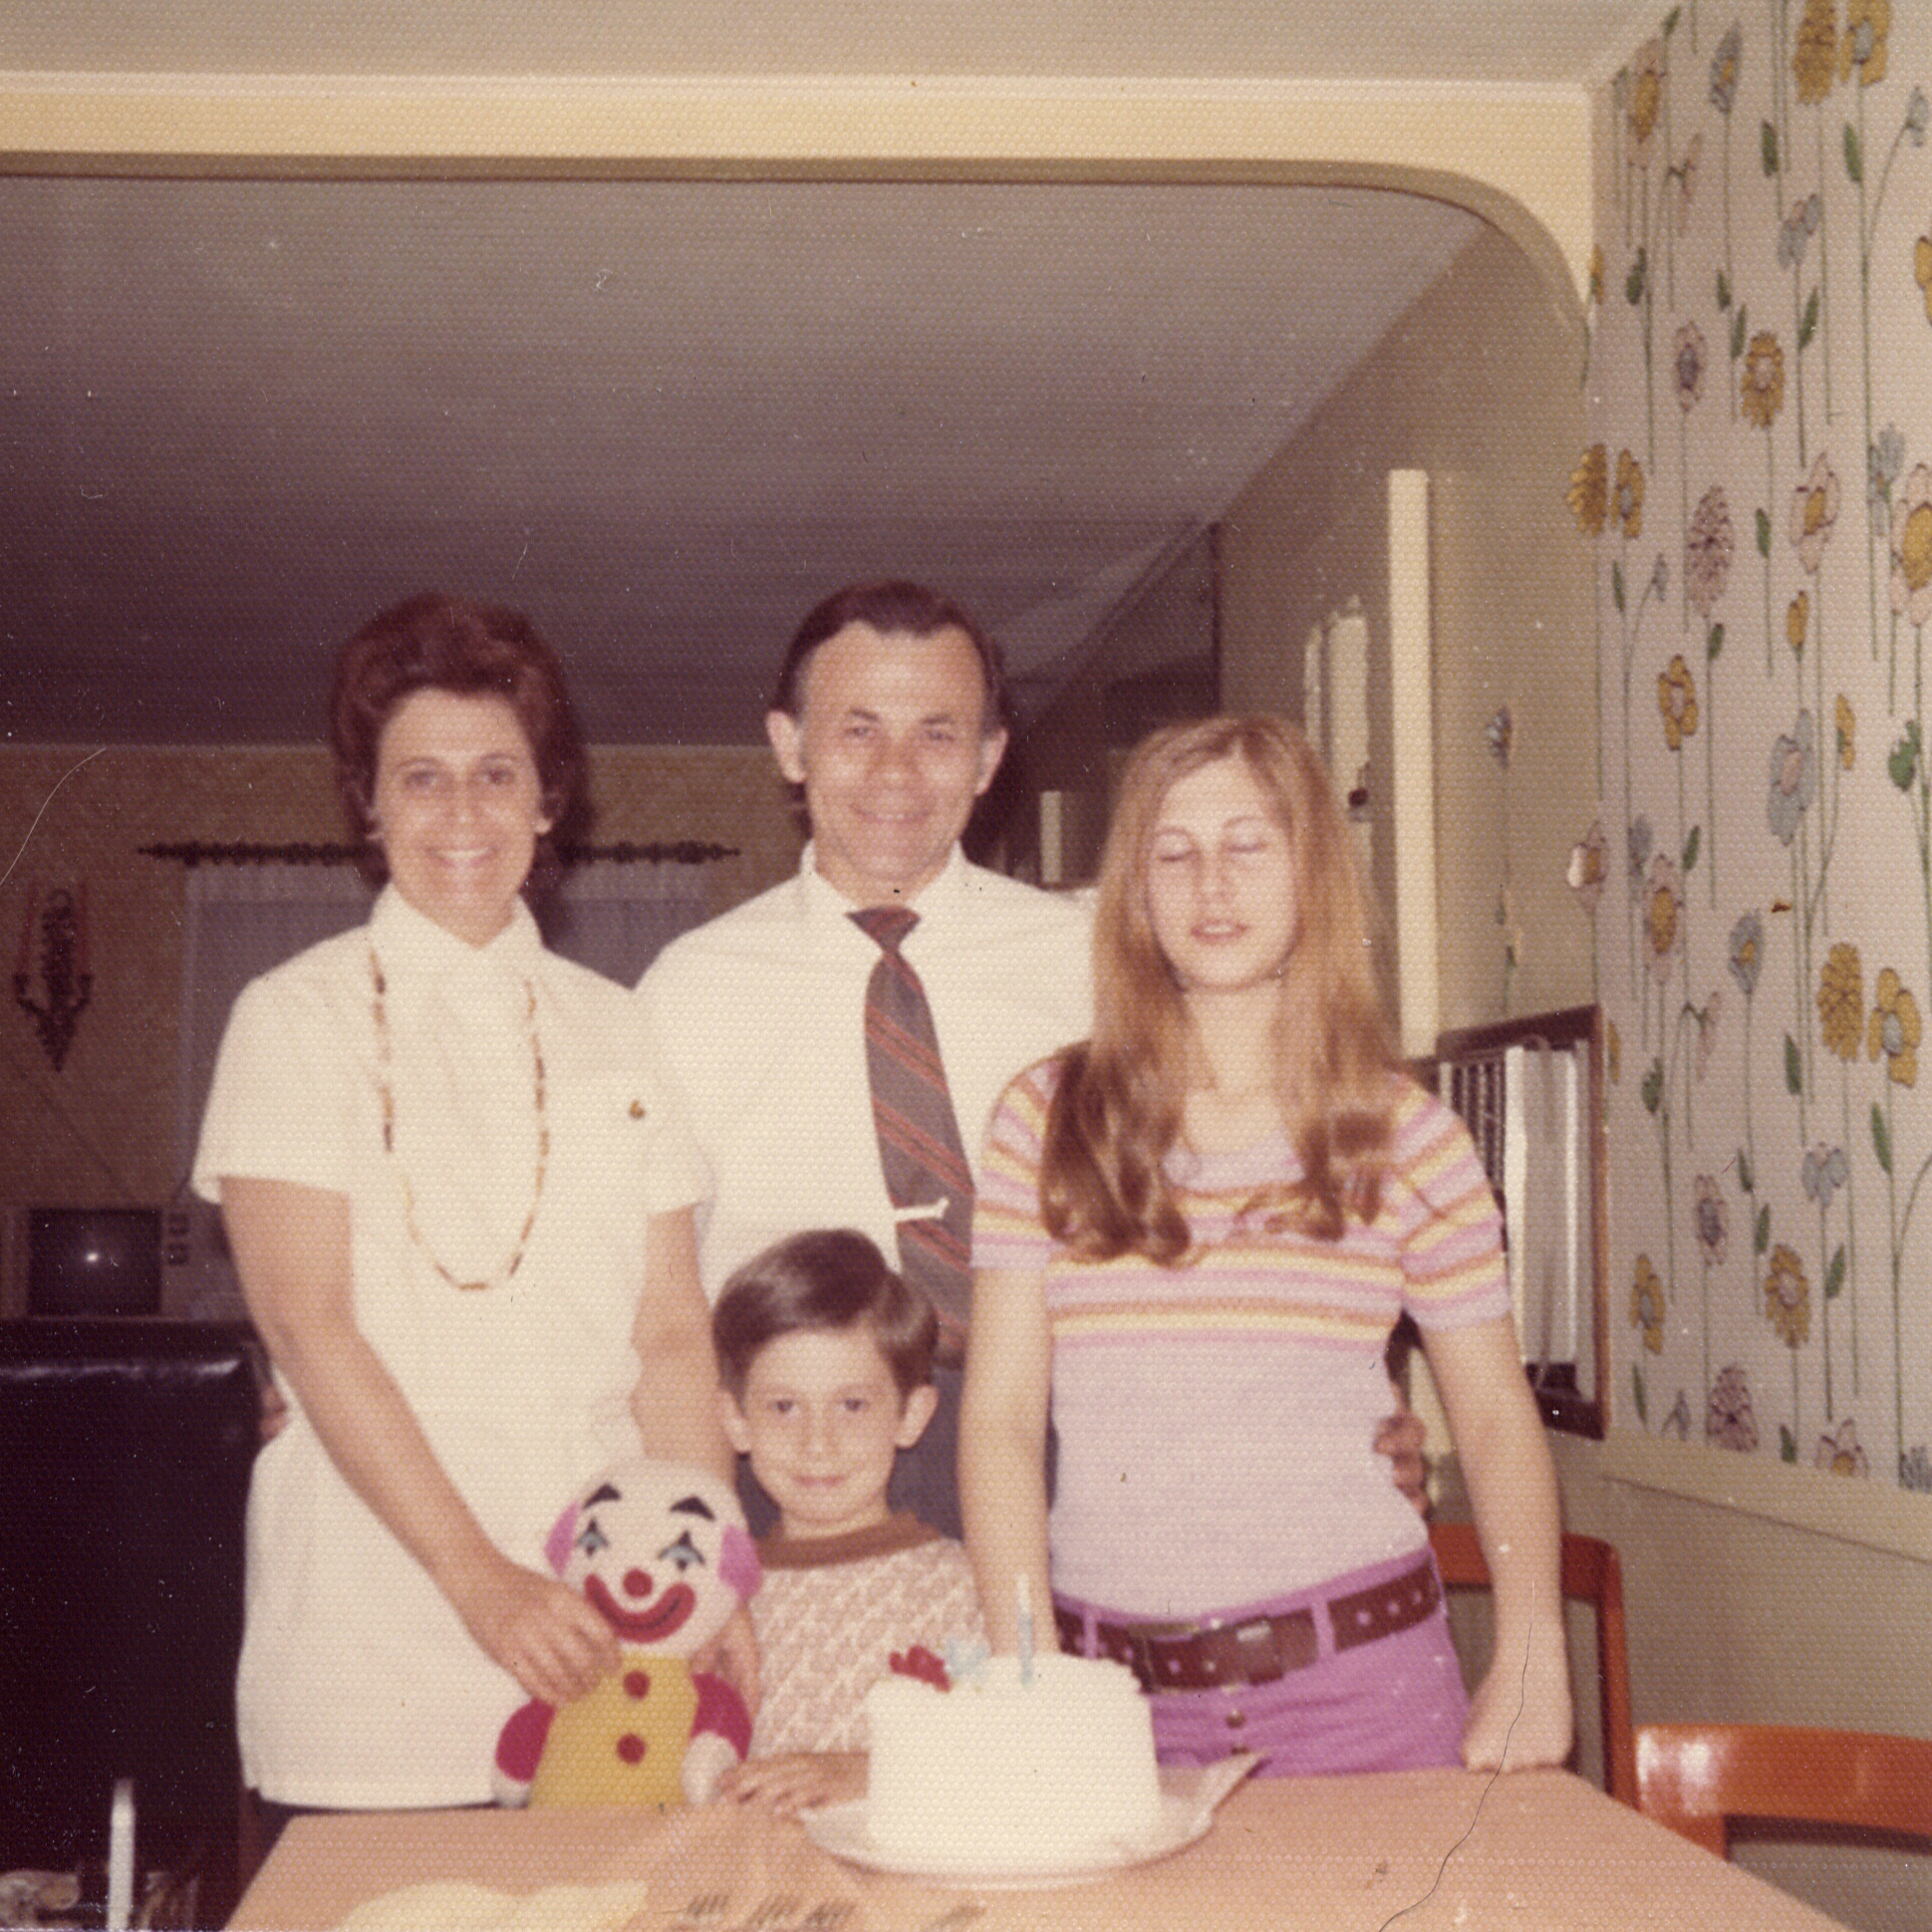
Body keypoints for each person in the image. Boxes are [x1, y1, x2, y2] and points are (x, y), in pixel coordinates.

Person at [640, 580, 1426, 1539]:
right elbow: (661, 1315)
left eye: (937, 733)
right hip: (798, 1469)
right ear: (789, 745)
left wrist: (1348, 1391)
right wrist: (698, 1539)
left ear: (987, 758)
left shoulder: (1102, 961)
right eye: (857, 730)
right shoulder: (686, 992)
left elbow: (1243, 1181)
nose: (896, 771)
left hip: (1081, 1447)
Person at [193, 592, 731, 1827]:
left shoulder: (620, 1025)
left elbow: (667, 1333)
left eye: (497, 774)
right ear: (369, 807)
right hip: (378, 1610)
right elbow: (310, 1327)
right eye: (421, 779)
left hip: (611, 1604)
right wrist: (479, 1579)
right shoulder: (292, 1017)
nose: (463, 813)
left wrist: (709, 1577)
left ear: (548, 801)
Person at [962, 714, 1573, 1780]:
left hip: (1363, 1696)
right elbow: (1002, 1421)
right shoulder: (1043, 1118)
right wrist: (1027, 1673)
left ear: (1310, 874)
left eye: (1248, 845)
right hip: (1113, 1707)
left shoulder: (1408, 1134)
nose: (1212, 884)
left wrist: (1531, 1652)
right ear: (1134, 891)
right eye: (1173, 853)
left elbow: (1489, 1416)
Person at [709, 1229, 984, 1816]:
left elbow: (1005, 1755)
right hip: (748, 1867)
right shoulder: (717, 1604)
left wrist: (865, 1773)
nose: (818, 1443)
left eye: (852, 1405)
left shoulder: (960, 1588)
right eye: (784, 1407)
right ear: (735, 1420)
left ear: (911, 1414)